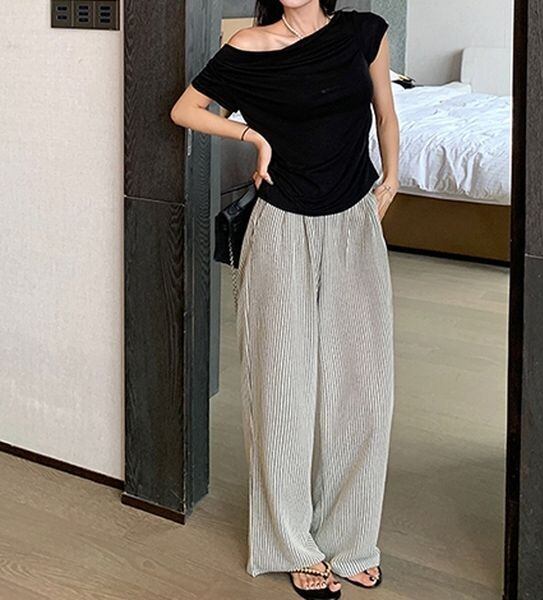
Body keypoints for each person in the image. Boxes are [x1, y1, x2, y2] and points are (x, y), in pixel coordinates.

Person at [171, 1, 399, 598]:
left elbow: (385, 112)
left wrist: (392, 180)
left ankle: (352, 541)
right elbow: (184, 109)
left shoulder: (362, 32)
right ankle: (290, 543)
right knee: (281, 390)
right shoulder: (249, 47)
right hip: (279, 229)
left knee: (364, 388)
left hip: (354, 221)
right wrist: (252, 137)